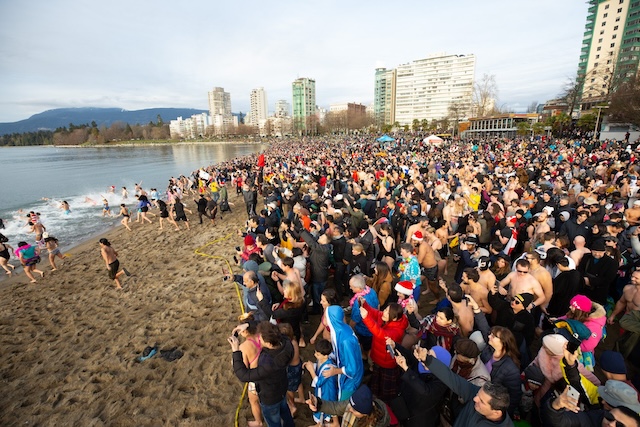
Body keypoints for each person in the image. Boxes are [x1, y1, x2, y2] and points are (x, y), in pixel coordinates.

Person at [414, 346, 514, 426]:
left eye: (481, 401)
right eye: (478, 394)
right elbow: (452, 379)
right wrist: (427, 359)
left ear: (496, 413)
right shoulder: (476, 394)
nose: (475, 398)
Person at [229, 321, 294, 427]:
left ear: (268, 344)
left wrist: (236, 352)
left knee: (273, 421)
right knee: (284, 410)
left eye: (261, 338)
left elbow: (243, 375)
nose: (259, 338)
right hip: (282, 387)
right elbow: (269, 328)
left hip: (270, 397)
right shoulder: (286, 342)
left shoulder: (268, 364)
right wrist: (248, 325)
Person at [359, 300, 408, 403]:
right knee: (376, 380)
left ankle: (384, 404)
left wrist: (366, 318)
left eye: (387, 312)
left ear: (394, 318)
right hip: (379, 358)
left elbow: (380, 333)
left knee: (385, 388)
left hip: (387, 363)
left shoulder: (396, 331)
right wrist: (365, 304)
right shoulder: (388, 318)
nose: (384, 312)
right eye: (385, 309)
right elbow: (377, 313)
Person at [544, 383, 640, 427]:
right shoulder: (587, 420)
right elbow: (561, 422)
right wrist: (555, 406)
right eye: (609, 417)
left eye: (620, 426)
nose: (611, 424)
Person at [323, 305, 364, 401]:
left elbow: (352, 369)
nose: (323, 318)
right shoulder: (341, 329)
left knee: (344, 403)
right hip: (347, 369)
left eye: (325, 316)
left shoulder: (346, 341)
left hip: (351, 380)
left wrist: (334, 371)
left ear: (331, 319)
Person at [305, 384, 390, 427]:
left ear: (365, 413)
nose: (350, 409)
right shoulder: (354, 404)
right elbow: (335, 408)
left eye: (354, 410)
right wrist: (318, 403)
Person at [231, 317, 264, 427]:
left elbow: (243, 367)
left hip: (255, 377)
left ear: (245, 331)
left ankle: (258, 421)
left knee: (254, 401)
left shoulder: (244, 347)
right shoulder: (262, 336)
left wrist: (235, 356)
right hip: (267, 370)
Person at [303, 338, 339, 427]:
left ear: (325, 356)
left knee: (324, 408)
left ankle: (322, 424)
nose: (315, 355)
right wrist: (311, 366)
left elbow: (319, 382)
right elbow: (318, 368)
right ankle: (320, 423)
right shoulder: (321, 360)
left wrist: (311, 370)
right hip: (322, 391)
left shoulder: (329, 367)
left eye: (318, 354)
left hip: (327, 393)